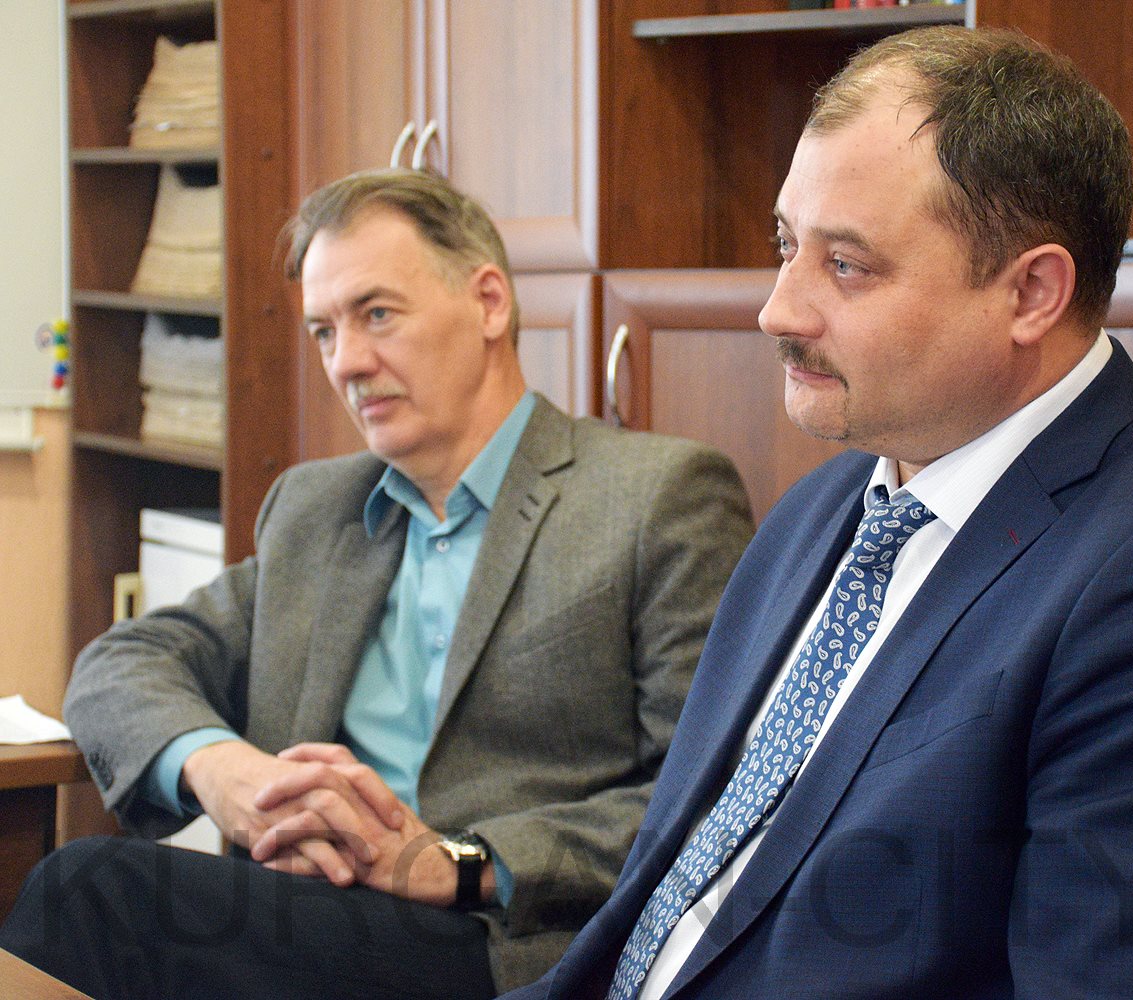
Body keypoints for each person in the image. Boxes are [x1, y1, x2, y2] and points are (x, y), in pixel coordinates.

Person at [503, 27, 1133, 1000]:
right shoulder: (825, 510)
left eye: (847, 265)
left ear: (1032, 292)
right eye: (787, 245)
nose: (777, 310)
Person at [0, 169, 754, 1000]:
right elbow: (121, 663)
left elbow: (714, 796)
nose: (348, 362)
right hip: (304, 913)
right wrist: (222, 771)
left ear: (489, 303)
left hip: (495, 939)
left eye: (377, 315)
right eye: (324, 331)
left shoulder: (656, 497)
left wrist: (459, 862)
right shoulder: (314, 509)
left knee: (90, 893)